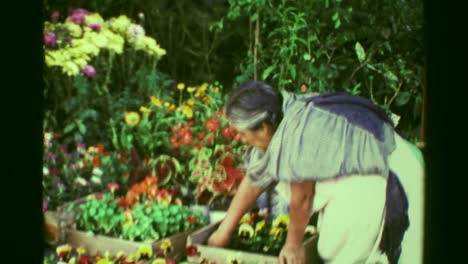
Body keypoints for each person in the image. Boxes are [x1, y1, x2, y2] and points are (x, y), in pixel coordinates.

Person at [207, 80, 424, 264]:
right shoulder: (279, 113)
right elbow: (255, 179)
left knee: (338, 251)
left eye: (241, 134)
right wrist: (223, 232)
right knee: (329, 245)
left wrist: (293, 245)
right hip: (381, 159)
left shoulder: (297, 134)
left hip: (393, 170)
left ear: (263, 128)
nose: (239, 139)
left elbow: (303, 195)